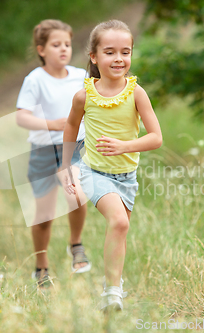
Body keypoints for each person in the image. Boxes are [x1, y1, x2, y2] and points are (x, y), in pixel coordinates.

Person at [62, 19, 162, 311]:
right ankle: (112, 293)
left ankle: (111, 285)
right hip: (93, 171)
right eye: (109, 52)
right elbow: (70, 125)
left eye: (125, 52)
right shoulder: (84, 95)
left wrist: (125, 146)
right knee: (118, 221)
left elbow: (156, 137)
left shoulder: (136, 93)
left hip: (127, 176)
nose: (119, 59)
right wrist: (67, 164)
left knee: (121, 229)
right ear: (94, 57)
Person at [16, 19, 92, 288]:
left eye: (68, 44)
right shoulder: (34, 80)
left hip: (73, 147)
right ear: (41, 50)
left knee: (77, 195)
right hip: (43, 151)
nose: (63, 49)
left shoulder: (80, 76)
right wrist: (52, 124)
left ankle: (76, 244)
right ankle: (41, 267)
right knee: (44, 216)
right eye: (56, 45)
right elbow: (22, 118)